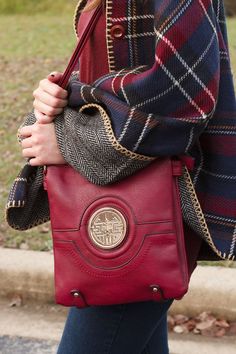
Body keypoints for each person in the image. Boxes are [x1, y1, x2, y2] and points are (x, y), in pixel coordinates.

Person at [7, 0, 236, 353]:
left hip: (151, 211)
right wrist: (61, 92)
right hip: (119, 207)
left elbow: (185, 98)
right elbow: (115, 76)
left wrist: (70, 139)